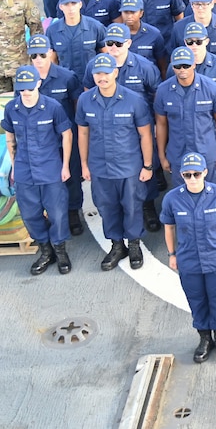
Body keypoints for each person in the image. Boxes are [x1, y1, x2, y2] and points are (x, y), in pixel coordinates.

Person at [77, 53, 155, 273]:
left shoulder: (133, 100)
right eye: (97, 73)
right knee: (106, 207)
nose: (102, 78)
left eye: (106, 73)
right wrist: (83, 164)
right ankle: (116, 245)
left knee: (131, 207)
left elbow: (145, 135)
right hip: (100, 167)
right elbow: (83, 133)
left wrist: (147, 165)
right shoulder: (85, 100)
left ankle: (134, 245)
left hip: (128, 166)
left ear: (115, 73)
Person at [161, 151, 216, 363]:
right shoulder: (172, 199)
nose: (193, 179)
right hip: (189, 260)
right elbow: (169, 228)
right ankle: (205, 338)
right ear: (181, 175)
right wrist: (172, 254)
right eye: (187, 175)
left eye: (197, 174)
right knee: (196, 300)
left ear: (206, 172)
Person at [1, 66, 73, 278]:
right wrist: (14, 166)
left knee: (57, 213)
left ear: (39, 84)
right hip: (25, 169)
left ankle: (60, 250)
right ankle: (45, 250)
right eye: (22, 89)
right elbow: (10, 138)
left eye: (30, 88)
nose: (26, 92)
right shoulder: (11, 108)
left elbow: (66, 136)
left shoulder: (52, 107)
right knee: (30, 214)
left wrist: (65, 165)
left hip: (50, 168)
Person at [27, 33, 86, 240]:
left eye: (43, 54)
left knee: (70, 176)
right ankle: (54, 215)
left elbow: (78, 108)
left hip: (66, 138)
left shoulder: (66, 77)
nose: (39, 60)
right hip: (42, 142)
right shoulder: (26, 80)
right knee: (49, 181)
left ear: (51, 53)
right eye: (34, 56)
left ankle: (73, 212)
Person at [154, 47, 216, 194]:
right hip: (178, 154)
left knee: (210, 195)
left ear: (194, 64)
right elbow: (162, 124)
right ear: (172, 66)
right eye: (177, 66)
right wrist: (162, 156)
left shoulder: (211, 88)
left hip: (207, 153)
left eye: (186, 65)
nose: (182, 69)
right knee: (181, 196)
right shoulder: (163, 91)